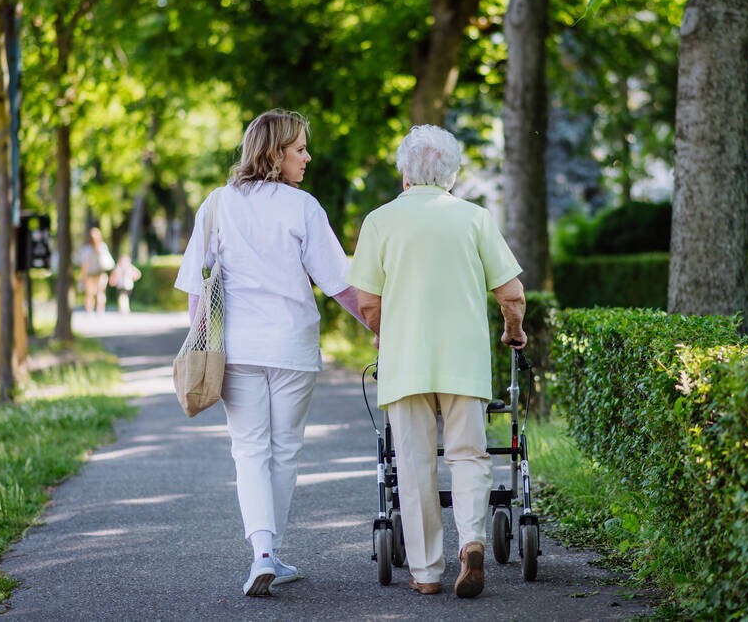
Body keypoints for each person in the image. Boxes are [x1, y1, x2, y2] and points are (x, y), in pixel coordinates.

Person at [174, 109, 365, 597]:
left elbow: (197, 287)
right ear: (276, 153)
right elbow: (340, 285)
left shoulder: (217, 204)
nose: (306, 157)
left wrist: (198, 340)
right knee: (284, 451)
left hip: (237, 349)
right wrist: (380, 327)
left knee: (249, 450)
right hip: (292, 348)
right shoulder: (302, 207)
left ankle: (262, 553)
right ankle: (270, 554)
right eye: (299, 148)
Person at [347, 125, 527, 598]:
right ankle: (471, 541)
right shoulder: (474, 219)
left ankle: (426, 572)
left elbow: (367, 302)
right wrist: (514, 332)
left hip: (406, 363)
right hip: (463, 359)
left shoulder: (380, 221)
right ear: (451, 173)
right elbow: (511, 293)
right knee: (469, 455)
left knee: (413, 462)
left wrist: (388, 335)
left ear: (405, 170)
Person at [79, 227, 113, 314]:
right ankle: (99, 310)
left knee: (91, 294)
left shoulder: (87, 249)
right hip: (99, 274)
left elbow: (84, 265)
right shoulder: (102, 247)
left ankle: (91, 311)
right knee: (99, 293)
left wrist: (82, 277)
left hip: (92, 274)